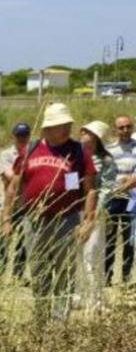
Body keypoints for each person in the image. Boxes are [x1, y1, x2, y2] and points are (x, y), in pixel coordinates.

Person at [1, 102, 97, 322]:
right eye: (60, 125)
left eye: (68, 124)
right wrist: (7, 217)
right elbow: (14, 187)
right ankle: (42, 317)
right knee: (38, 270)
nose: (66, 129)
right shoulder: (30, 150)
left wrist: (89, 221)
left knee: (64, 270)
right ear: (47, 129)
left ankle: (60, 320)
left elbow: (90, 189)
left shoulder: (79, 151)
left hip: (67, 220)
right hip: (34, 221)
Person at [77, 121, 112, 311]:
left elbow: (107, 189)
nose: (84, 135)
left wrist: (93, 215)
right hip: (75, 210)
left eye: (88, 133)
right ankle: (79, 295)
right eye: (83, 132)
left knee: (93, 253)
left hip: (96, 212)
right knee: (76, 255)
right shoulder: (75, 155)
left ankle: (96, 298)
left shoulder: (105, 160)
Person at [0, 122, 31, 278]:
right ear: (14, 136)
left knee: (24, 241)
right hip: (10, 204)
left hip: (27, 204)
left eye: (24, 136)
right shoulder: (6, 155)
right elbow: (9, 177)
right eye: (19, 136)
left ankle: (18, 274)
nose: (21, 139)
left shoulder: (33, 153)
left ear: (29, 136)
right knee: (4, 239)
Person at [106, 115, 135, 284]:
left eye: (128, 126)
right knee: (109, 239)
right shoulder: (109, 150)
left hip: (132, 199)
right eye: (121, 127)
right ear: (115, 130)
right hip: (113, 198)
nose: (125, 130)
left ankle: (125, 276)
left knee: (129, 240)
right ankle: (107, 277)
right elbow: (106, 174)